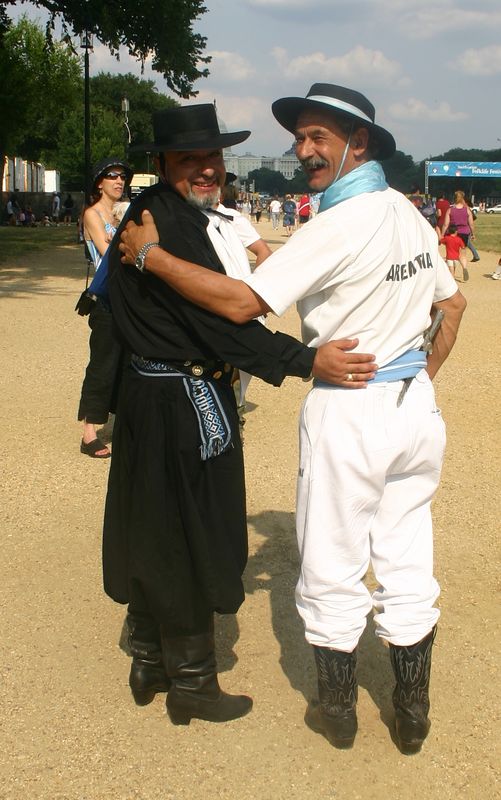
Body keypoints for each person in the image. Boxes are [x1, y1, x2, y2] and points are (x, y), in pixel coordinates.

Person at [118, 84, 467, 755]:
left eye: (318, 139)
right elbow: (450, 309)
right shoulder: (404, 209)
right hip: (412, 409)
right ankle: (411, 706)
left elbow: (243, 306)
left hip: (352, 406)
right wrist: (416, 381)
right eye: (300, 137)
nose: (302, 150)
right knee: (406, 555)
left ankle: (336, 711)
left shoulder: (334, 223)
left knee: (333, 561)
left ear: (357, 144)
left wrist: (148, 255)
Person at [104, 103, 377, 728]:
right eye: (189, 160)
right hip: (183, 402)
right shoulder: (165, 228)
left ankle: (148, 655)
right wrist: (307, 361)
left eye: (213, 158)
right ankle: (193, 682)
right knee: (193, 531)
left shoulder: (156, 216)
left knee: (153, 523)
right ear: (162, 164)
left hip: (153, 398)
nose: (206, 170)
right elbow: (220, 325)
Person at [77, 158, 133, 458]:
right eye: (112, 176)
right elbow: (106, 251)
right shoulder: (92, 214)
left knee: (131, 361)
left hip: (129, 298)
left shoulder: (125, 212)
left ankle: (126, 423)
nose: (119, 181)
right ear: (100, 182)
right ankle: (89, 433)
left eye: (122, 177)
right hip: (107, 299)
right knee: (103, 362)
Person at [441, 190, 476, 277]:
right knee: (462, 253)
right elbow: (471, 224)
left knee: (451, 252)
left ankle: (452, 272)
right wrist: (473, 234)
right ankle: (464, 267)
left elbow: (445, 224)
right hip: (464, 232)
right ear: (462, 198)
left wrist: (442, 234)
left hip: (453, 233)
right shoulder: (467, 210)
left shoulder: (450, 210)